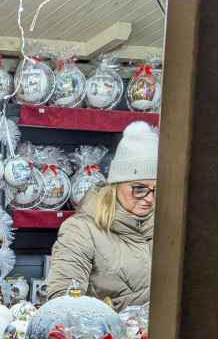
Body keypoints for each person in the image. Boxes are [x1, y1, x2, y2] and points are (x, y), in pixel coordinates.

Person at [47, 121, 158, 311]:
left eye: (157, 189)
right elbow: (63, 305)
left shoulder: (172, 225)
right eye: (139, 189)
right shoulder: (81, 230)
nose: (149, 198)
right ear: (115, 183)